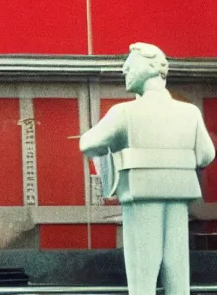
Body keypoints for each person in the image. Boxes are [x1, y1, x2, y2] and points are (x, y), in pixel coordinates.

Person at [80, 43, 215, 295]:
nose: (124, 69)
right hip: (179, 193)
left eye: (130, 65)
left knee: (143, 274)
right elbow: (206, 155)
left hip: (140, 194)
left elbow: (88, 143)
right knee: (177, 270)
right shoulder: (190, 112)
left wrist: (117, 153)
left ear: (152, 67)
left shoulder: (124, 113)